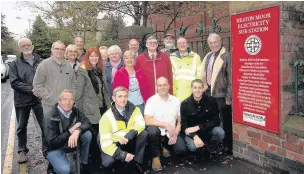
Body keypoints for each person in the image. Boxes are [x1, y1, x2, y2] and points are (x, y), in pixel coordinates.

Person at [9, 38, 45, 163]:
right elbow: (14, 82)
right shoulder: (14, 64)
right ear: (20, 48)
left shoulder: (41, 61)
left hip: (39, 99)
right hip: (22, 99)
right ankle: (22, 150)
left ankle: (47, 148)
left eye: (28, 44)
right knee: (21, 126)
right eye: (23, 45)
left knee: (44, 124)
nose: (26, 47)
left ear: (33, 46)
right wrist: (32, 89)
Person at [99, 86, 147, 174]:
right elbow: (106, 144)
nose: (123, 99)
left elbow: (141, 124)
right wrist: (122, 155)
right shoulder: (106, 117)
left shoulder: (134, 109)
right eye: (120, 96)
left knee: (143, 133)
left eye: (125, 96)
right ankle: (121, 162)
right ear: (113, 98)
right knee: (107, 162)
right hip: (114, 144)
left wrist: (128, 136)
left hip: (128, 139)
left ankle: (136, 162)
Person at [44, 89, 92, 174]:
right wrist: (71, 131)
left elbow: (87, 122)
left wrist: (78, 130)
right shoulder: (50, 117)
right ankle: (52, 167)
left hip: (69, 143)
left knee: (87, 135)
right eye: (65, 99)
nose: (67, 102)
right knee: (65, 170)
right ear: (59, 101)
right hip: (54, 148)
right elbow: (52, 143)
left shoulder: (75, 111)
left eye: (70, 100)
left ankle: (83, 163)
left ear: (73, 101)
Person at [144, 77, 187, 171]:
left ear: (169, 86)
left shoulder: (175, 100)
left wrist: (177, 130)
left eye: (165, 85)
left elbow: (180, 119)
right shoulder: (151, 101)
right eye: (160, 85)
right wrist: (165, 124)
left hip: (171, 133)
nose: (162, 87)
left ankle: (164, 145)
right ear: (156, 87)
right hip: (157, 132)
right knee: (151, 130)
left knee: (181, 151)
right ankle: (155, 157)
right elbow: (147, 120)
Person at [76, 47, 110, 162]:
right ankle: (91, 160)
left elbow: (104, 90)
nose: (94, 58)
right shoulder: (82, 71)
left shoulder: (100, 69)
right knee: (93, 134)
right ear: (87, 57)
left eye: (96, 56)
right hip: (91, 109)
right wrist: (80, 112)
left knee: (102, 132)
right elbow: (78, 94)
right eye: (92, 56)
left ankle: (101, 157)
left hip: (103, 107)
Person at [200, 33, 232, 155]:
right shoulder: (208, 56)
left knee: (225, 121)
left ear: (220, 42)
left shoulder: (227, 56)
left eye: (215, 42)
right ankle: (215, 143)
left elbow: (231, 78)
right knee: (212, 120)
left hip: (222, 95)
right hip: (208, 93)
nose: (213, 44)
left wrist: (229, 97)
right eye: (211, 43)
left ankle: (228, 146)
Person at [181, 79, 224, 158]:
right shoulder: (184, 104)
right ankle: (199, 148)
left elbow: (216, 120)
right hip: (193, 133)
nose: (197, 90)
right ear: (191, 89)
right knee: (192, 147)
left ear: (203, 89)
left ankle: (211, 147)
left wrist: (199, 127)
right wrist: (194, 136)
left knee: (220, 132)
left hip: (207, 130)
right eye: (195, 87)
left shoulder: (211, 101)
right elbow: (184, 125)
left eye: (200, 88)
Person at [33, 40, 77, 117]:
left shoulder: (68, 66)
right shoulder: (44, 65)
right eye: (57, 49)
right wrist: (51, 98)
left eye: (62, 49)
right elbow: (37, 86)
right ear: (52, 50)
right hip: (50, 107)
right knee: (51, 128)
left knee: (67, 128)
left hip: (67, 107)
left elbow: (74, 84)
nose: (59, 51)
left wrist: (70, 99)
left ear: (65, 51)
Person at [112, 50, 149, 114]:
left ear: (135, 60)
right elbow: (116, 91)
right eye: (127, 58)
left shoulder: (140, 72)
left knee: (140, 123)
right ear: (124, 60)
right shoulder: (119, 73)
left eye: (132, 58)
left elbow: (146, 88)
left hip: (140, 104)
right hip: (126, 105)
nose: (129, 60)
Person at [170, 37, 201, 102]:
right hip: (178, 93)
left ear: (187, 44)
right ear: (177, 46)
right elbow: (171, 76)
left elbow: (199, 75)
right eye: (180, 43)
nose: (182, 45)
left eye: (184, 43)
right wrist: (173, 92)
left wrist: (197, 91)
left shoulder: (195, 57)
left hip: (192, 93)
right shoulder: (172, 58)